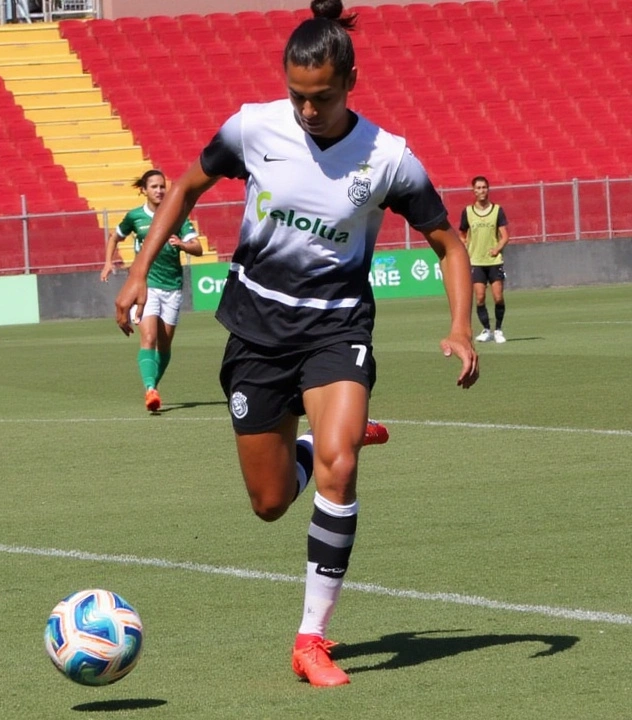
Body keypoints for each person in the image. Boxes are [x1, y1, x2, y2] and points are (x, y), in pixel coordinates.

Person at [114, 0, 479, 687]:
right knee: (270, 501)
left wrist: (460, 326)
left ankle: (311, 636)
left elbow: (448, 245)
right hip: (255, 328)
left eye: (323, 96)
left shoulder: (389, 158)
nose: (308, 110)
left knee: (342, 469)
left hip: (337, 327)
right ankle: (317, 444)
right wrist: (138, 271)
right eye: (297, 95)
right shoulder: (253, 127)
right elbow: (188, 185)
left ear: (351, 81)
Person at [101, 170, 204, 411]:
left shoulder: (177, 216)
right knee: (148, 338)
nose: (159, 191)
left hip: (173, 287)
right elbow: (114, 237)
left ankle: (153, 387)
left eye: (162, 187)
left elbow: (198, 248)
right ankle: (150, 389)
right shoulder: (135, 216)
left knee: (165, 346)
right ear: (144, 190)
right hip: (147, 287)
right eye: (154, 187)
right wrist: (108, 262)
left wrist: (183, 245)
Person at [458, 176, 509, 343]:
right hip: (476, 262)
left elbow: (505, 236)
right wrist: (465, 246)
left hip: (494, 261)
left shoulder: (497, 210)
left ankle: (499, 330)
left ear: (488, 189)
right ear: (473, 190)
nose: (481, 191)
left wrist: (497, 248)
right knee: (479, 297)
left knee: (498, 296)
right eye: (478, 188)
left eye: (484, 187)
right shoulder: (467, 212)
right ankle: (487, 330)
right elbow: (462, 234)